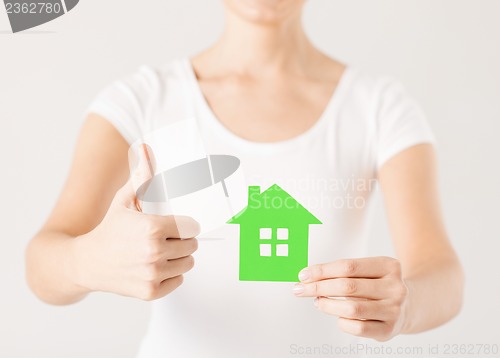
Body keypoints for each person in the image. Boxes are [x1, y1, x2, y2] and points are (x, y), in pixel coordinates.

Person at [25, 0, 464, 356]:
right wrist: (88, 261)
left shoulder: (380, 107)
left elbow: (442, 274)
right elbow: (43, 265)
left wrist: (405, 305)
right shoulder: (140, 100)